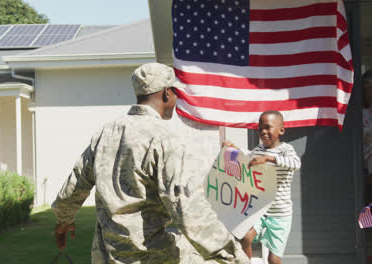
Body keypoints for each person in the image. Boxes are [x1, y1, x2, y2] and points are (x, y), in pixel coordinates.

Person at [52, 63, 249, 264]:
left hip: (106, 256)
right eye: (175, 93)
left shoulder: (106, 133)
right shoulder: (164, 138)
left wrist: (63, 220)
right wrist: (233, 256)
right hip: (151, 256)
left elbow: (75, 185)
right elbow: (186, 206)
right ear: (166, 94)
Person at [224, 111, 301, 264]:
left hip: (280, 214)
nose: (263, 132)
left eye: (268, 127)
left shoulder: (286, 150)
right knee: (245, 236)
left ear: (281, 130)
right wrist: (233, 148)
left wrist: (268, 159)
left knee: (273, 259)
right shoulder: (259, 149)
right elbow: (248, 158)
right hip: (259, 209)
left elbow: (296, 164)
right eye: (260, 128)